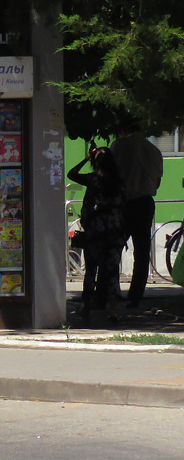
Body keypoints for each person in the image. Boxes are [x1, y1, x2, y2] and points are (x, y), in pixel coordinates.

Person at [68, 146, 126, 320]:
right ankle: (113, 309)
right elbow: (124, 206)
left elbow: (72, 174)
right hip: (114, 231)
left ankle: (85, 306)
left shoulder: (93, 180)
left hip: (95, 231)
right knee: (112, 271)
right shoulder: (119, 181)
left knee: (91, 269)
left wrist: (86, 158)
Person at [111, 122, 163, 308]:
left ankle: (110, 293)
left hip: (123, 203)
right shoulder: (154, 150)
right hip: (145, 203)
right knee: (141, 252)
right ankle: (135, 297)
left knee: (113, 249)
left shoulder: (118, 146)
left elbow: (109, 174)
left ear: (124, 129)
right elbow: (157, 182)